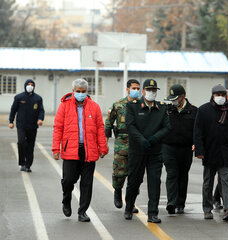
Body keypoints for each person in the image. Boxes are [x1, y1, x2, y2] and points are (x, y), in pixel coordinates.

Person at [52, 79, 108, 222]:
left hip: (89, 151)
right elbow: (58, 127)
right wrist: (55, 149)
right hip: (70, 150)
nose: (81, 94)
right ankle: (66, 199)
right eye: (78, 92)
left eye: (83, 92)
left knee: (87, 183)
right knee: (68, 180)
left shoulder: (94, 107)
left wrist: (103, 147)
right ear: (73, 91)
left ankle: (82, 211)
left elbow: (100, 128)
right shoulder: (64, 106)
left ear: (86, 92)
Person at [194, 84, 228, 221]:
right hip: (209, 152)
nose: (220, 97)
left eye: (222, 95)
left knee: (226, 180)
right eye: (217, 95)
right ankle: (207, 209)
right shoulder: (203, 110)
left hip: (227, 152)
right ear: (212, 96)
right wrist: (199, 150)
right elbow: (198, 132)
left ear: (226, 96)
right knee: (208, 182)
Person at [124, 79, 170, 223]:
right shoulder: (133, 106)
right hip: (137, 150)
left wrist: (154, 139)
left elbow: (167, 127)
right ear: (143, 91)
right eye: (149, 90)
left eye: (154, 90)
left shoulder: (162, 108)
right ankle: (129, 207)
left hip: (155, 151)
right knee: (134, 180)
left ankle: (152, 213)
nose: (151, 93)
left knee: (154, 182)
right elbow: (130, 125)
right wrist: (142, 140)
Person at [105, 79, 140, 213]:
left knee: (135, 176)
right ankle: (118, 190)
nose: (136, 91)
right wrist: (105, 143)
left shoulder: (142, 105)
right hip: (122, 142)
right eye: (134, 88)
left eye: (138, 88)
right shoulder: (118, 105)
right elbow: (109, 123)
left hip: (137, 144)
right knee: (120, 172)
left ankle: (131, 203)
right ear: (128, 89)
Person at [162, 84, 198, 214]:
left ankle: (180, 203)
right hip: (168, 147)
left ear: (183, 97)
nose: (173, 101)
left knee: (183, 176)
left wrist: (196, 144)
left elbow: (197, 131)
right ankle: (171, 202)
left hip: (185, 148)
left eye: (175, 98)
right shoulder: (166, 110)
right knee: (172, 174)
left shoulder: (193, 111)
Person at [9, 79, 44, 172]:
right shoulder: (19, 97)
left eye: (32, 85)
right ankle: (22, 163)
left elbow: (41, 110)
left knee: (30, 146)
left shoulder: (38, 98)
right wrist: (11, 121)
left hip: (32, 126)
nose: (30, 86)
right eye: (28, 84)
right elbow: (13, 110)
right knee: (21, 142)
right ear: (25, 86)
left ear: (34, 87)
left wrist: (40, 119)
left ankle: (28, 165)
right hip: (21, 125)